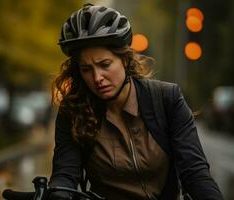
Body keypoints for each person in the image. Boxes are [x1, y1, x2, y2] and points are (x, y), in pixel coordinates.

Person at [49, 3, 224, 200]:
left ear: (124, 59)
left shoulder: (167, 99)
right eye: (86, 69)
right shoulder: (73, 111)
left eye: (105, 64)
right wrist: (58, 192)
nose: (97, 77)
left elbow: (195, 171)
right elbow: (65, 173)